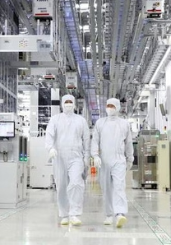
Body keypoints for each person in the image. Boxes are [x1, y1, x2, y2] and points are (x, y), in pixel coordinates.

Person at [46, 94, 89, 226]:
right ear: (62, 104)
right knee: (61, 186)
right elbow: (49, 134)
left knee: (76, 183)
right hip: (59, 157)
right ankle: (64, 214)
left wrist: (87, 155)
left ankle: (74, 214)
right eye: (66, 102)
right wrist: (50, 148)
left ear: (74, 104)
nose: (69, 104)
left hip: (76, 156)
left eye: (71, 102)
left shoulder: (81, 120)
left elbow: (86, 138)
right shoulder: (55, 119)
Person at [91, 98, 133, 228]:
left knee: (119, 186)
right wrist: (95, 155)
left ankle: (120, 213)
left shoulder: (124, 124)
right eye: (108, 105)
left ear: (118, 108)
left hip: (119, 159)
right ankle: (109, 214)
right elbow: (95, 141)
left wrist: (130, 158)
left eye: (112, 106)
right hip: (103, 161)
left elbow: (129, 143)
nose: (109, 108)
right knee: (106, 188)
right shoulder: (100, 123)